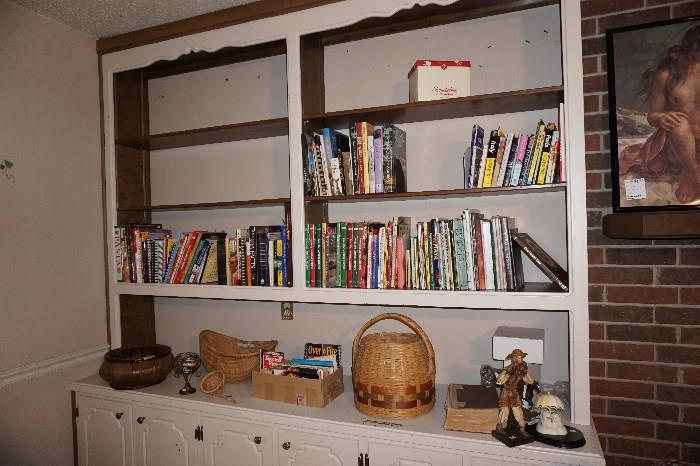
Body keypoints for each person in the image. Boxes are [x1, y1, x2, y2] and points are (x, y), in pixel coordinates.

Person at [619, 23, 700, 204]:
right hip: (679, 146)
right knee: (679, 123)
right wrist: (663, 117)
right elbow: (652, 115)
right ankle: (692, 173)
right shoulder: (667, 75)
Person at [495, 348, 534, 432]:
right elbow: (499, 381)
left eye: (520, 357)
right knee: (504, 410)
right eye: (517, 357)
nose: (519, 359)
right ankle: (500, 425)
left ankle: (521, 427)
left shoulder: (522, 370)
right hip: (505, 391)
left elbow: (530, 381)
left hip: (513, 391)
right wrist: (506, 373)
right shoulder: (508, 369)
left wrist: (525, 373)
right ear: (513, 358)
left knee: (517, 409)